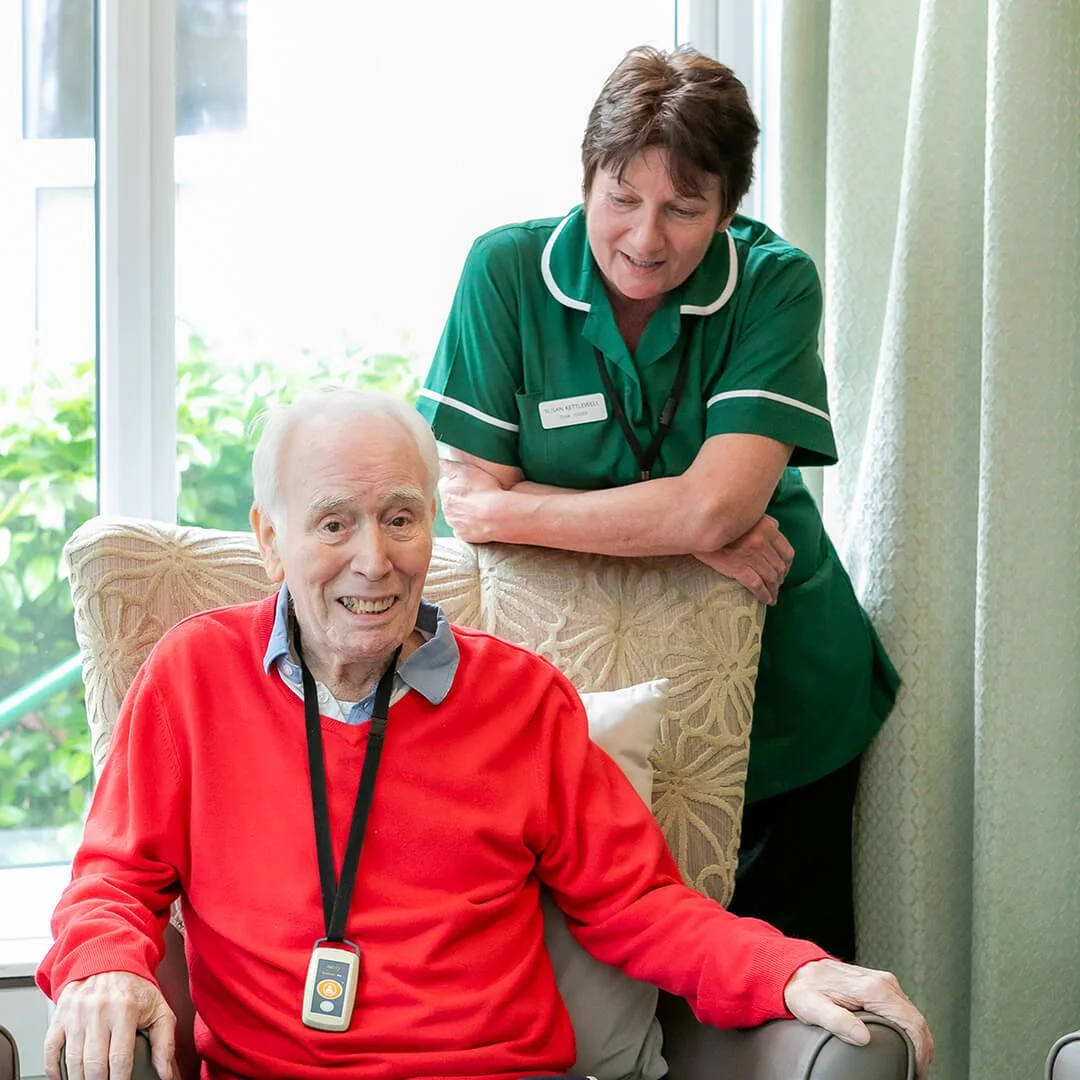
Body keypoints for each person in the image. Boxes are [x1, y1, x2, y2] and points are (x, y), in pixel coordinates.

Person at [38, 389, 930, 1080]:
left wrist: (784, 969)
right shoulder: (194, 675)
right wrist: (105, 966)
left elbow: (639, 903)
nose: (374, 560)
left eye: (400, 517)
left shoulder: (523, 699)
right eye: (334, 523)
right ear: (271, 541)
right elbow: (114, 877)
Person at [417, 45, 897, 963]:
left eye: (684, 208)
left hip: (779, 685)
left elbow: (708, 512)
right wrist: (685, 520)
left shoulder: (774, 283)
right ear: (586, 179)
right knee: (598, 975)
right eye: (622, 198)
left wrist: (514, 509)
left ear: (728, 209)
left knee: (783, 982)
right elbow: (466, 494)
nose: (645, 238)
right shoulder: (505, 274)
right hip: (578, 684)